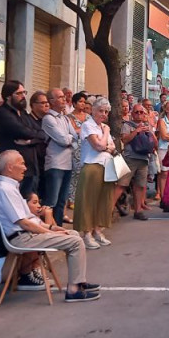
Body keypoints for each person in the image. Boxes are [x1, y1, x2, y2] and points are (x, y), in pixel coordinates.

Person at [0, 151, 100, 302]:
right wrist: (49, 232)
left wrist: (54, 229)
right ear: (9, 167)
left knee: (72, 233)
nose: (25, 168)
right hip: (21, 239)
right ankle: (73, 291)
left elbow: (30, 219)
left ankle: (79, 281)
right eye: (21, 163)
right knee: (75, 241)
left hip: (26, 235)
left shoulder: (10, 188)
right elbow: (24, 223)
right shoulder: (4, 190)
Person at [0, 81, 47, 199]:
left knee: (26, 204)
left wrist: (30, 141)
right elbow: (22, 131)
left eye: (24, 92)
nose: (23, 96)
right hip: (11, 168)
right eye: (19, 93)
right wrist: (32, 136)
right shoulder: (2, 113)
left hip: (29, 166)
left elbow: (42, 133)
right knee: (9, 204)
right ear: (8, 96)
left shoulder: (22, 113)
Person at [74, 96, 116, 249]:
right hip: (92, 165)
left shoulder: (102, 127)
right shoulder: (88, 125)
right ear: (93, 110)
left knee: (103, 200)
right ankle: (86, 233)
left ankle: (98, 230)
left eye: (106, 112)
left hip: (106, 165)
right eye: (100, 111)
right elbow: (98, 146)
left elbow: (112, 146)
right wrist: (106, 134)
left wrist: (104, 141)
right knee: (88, 201)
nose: (103, 114)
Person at [41, 88, 76, 226]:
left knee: (62, 200)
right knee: (52, 200)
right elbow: (63, 139)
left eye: (63, 97)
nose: (64, 99)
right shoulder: (48, 119)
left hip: (67, 162)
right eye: (60, 97)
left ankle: (58, 228)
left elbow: (75, 136)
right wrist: (69, 139)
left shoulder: (65, 118)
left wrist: (69, 139)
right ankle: (47, 228)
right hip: (55, 163)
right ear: (51, 101)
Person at [119, 103, 157, 221]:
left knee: (140, 185)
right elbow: (125, 140)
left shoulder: (147, 126)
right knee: (121, 184)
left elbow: (155, 143)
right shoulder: (127, 125)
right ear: (132, 113)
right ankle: (107, 210)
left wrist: (149, 132)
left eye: (142, 112)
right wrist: (136, 131)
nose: (139, 114)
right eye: (137, 112)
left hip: (144, 158)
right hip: (130, 158)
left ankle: (138, 210)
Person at [67, 91, 90, 210]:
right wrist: (84, 129)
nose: (83, 104)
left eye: (84, 102)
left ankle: (84, 198)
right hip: (76, 147)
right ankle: (71, 199)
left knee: (86, 173)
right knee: (75, 173)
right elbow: (74, 131)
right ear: (74, 103)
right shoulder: (69, 117)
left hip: (88, 146)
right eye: (80, 102)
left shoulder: (88, 116)